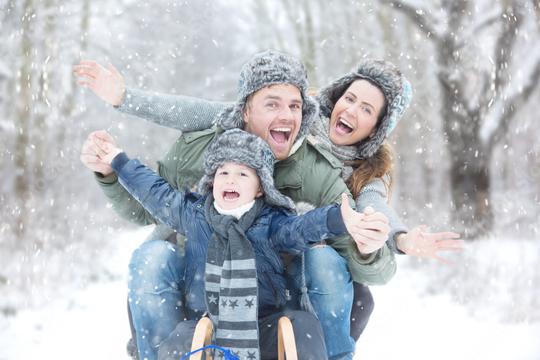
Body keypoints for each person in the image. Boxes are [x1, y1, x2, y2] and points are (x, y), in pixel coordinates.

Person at [78, 50, 396, 360]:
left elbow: (310, 226)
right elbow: (149, 200)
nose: (286, 115)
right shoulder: (199, 154)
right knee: (151, 257)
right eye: (272, 104)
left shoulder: (311, 171)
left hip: (274, 301)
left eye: (295, 106)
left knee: (327, 266)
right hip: (201, 289)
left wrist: (361, 237)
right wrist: (110, 168)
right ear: (245, 110)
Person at [91, 128, 377, 360]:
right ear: (212, 181)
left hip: (262, 327)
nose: (231, 180)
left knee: (302, 326)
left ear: (260, 187)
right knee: (178, 339)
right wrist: (118, 160)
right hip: (206, 326)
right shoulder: (194, 215)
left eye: (243, 174)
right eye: (223, 173)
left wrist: (339, 217)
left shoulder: (270, 224)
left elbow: (303, 227)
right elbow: (154, 191)